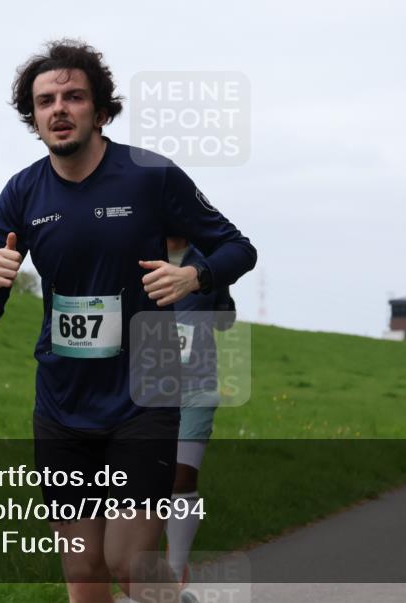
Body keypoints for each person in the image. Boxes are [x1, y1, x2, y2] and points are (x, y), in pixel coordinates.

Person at [0, 40, 257, 603]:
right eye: (45, 100)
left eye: (74, 96)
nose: (59, 108)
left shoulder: (150, 177)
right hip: (62, 402)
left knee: (131, 563)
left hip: (144, 393)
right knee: (84, 571)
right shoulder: (22, 192)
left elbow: (238, 248)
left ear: (99, 111)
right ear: (34, 117)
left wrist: (193, 277)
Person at [163, 237, 236, 597]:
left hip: (197, 387)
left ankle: (175, 574)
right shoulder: (137, 253)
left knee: (182, 477)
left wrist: (220, 287)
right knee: (149, 483)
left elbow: (226, 321)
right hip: (147, 389)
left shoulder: (207, 263)